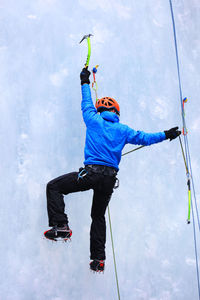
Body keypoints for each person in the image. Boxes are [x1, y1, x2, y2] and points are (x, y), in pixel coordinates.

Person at [44, 68, 181, 272]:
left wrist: (84, 80)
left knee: (54, 187)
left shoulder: (93, 119)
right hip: (108, 180)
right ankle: (98, 260)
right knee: (98, 215)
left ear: (100, 110)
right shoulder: (123, 130)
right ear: (116, 112)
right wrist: (167, 134)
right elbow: (146, 138)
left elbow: (86, 101)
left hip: (90, 174)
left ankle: (61, 225)